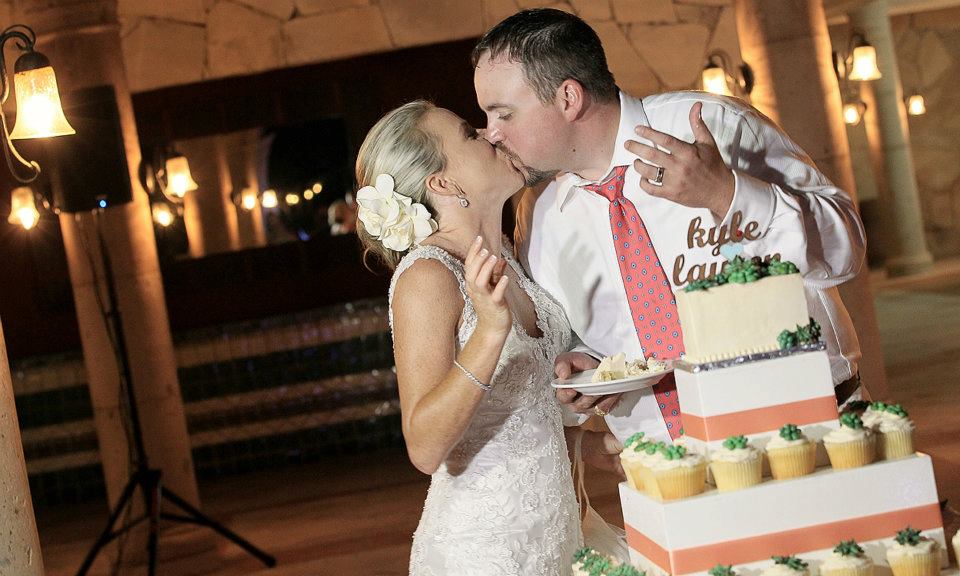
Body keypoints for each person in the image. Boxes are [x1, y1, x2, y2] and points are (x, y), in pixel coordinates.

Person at [471, 8, 867, 449]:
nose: (491, 134)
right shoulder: (539, 213)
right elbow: (601, 333)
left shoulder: (712, 126)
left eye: (502, 114)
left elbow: (846, 248)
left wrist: (726, 194)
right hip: (666, 463)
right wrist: (591, 364)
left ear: (568, 98)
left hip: (807, 429)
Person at [355, 100, 587, 575]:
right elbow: (423, 447)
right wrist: (490, 331)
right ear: (442, 183)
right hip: (483, 553)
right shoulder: (427, 277)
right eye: (468, 134)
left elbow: (524, 414)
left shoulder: (513, 260)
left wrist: (579, 400)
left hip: (556, 540)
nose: (491, 134)